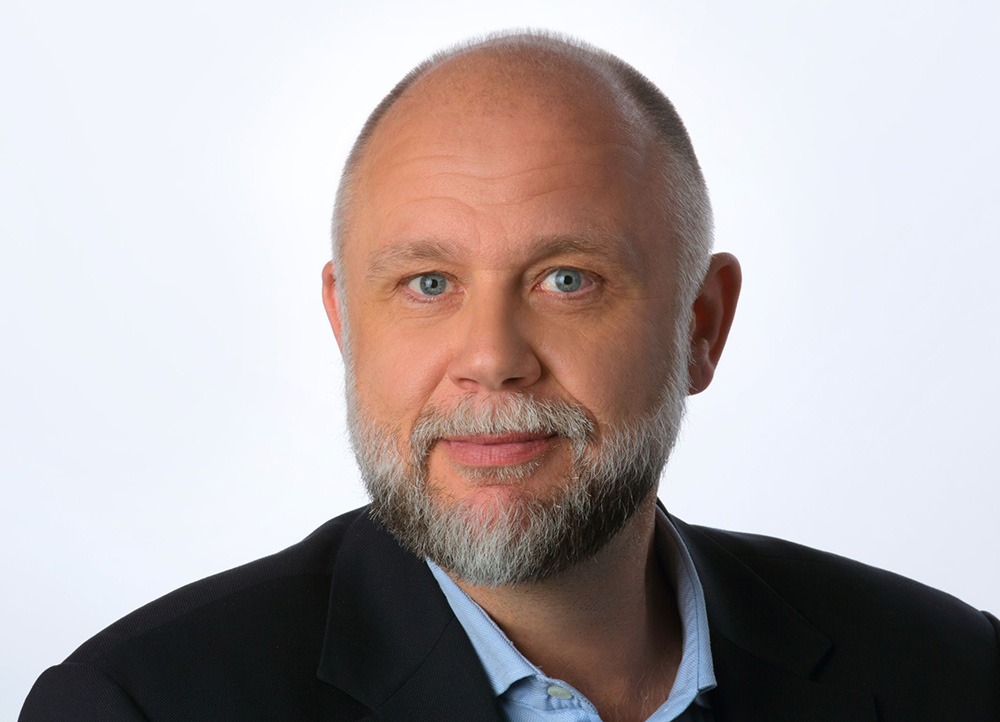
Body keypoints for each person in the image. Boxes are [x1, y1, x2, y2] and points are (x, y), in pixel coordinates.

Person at [20, 30, 999, 722]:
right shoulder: (142, 704)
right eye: (427, 283)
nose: (491, 356)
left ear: (700, 325)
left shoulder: (954, 675)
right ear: (345, 323)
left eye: (566, 279)